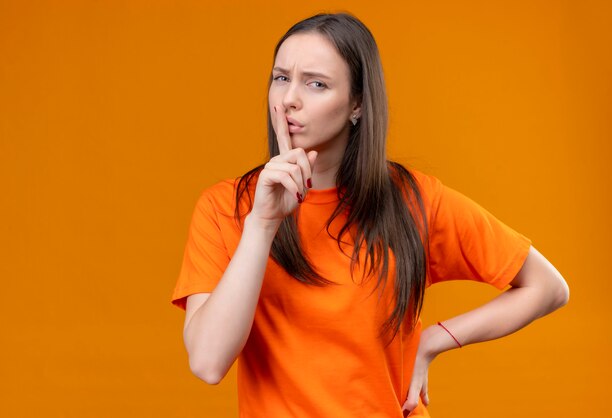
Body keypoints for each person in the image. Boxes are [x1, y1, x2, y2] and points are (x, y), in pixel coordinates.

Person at [171, 12, 569, 418]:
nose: (289, 98)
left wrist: (435, 339)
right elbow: (207, 363)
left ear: (357, 104)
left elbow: (548, 287)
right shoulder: (226, 208)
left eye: (316, 83)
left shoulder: (413, 201)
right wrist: (263, 222)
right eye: (280, 77)